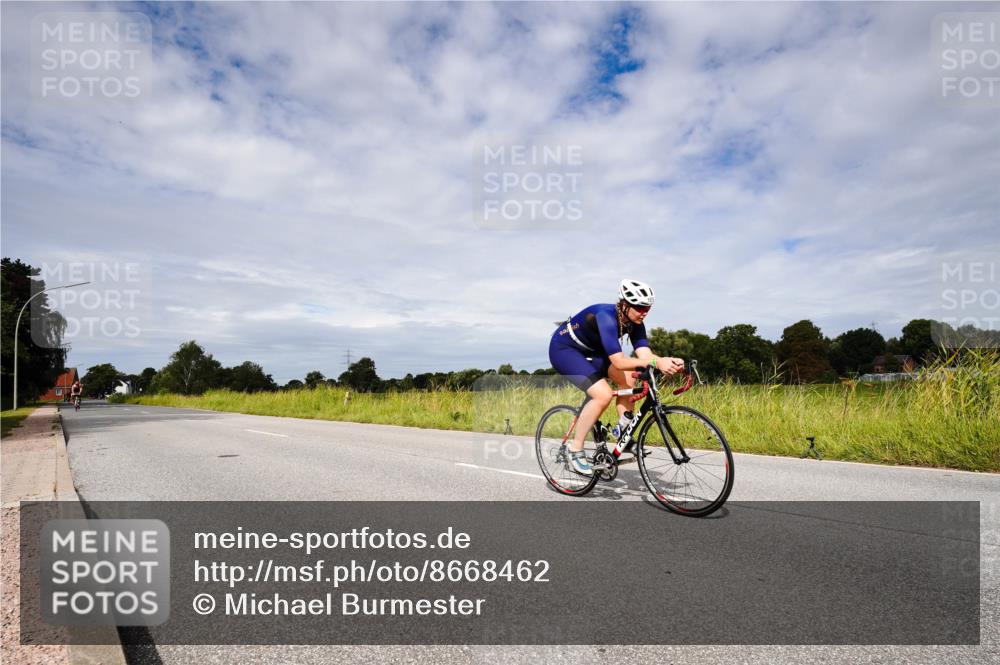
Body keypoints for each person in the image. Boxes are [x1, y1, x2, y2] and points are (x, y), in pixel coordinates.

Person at [549, 279, 684, 475]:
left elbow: (645, 356)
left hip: (592, 353)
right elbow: (619, 361)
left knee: (630, 378)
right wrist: (657, 362)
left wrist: (666, 360)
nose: (644, 312)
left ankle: (623, 433)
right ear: (624, 304)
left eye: (647, 307)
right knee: (602, 394)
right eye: (639, 307)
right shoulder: (606, 317)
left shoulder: (636, 322)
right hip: (565, 350)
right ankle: (575, 450)